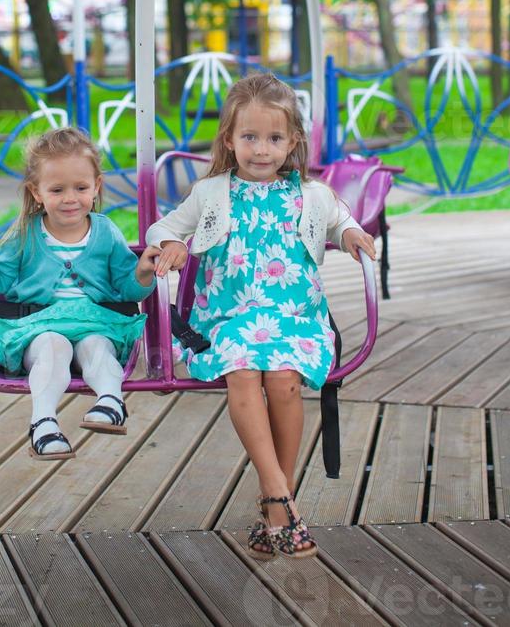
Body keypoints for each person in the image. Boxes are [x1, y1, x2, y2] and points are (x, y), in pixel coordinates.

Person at [146, 74, 376, 558]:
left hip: (296, 316)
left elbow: (341, 220)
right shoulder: (212, 192)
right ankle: (281, 501)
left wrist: (352, 235)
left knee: (284, 380)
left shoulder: (311, 193)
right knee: (245, 371)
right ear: (229, 139)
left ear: (293, 141)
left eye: (274, 138)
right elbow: (166, 225)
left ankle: (276, 501)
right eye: (249, 137)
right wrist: (171, 244)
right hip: (226, 319)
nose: (261, 149)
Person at [0, 127, 158, 461]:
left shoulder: (105, 232)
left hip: (94, 322)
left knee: (97, 346)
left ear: (96, 187)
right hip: (36, 326)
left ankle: (111, 401)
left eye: (81, 187)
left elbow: (127, 288)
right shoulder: (25, 233)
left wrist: (143, 271)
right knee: (53, 347)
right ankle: (43, 422)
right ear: (37, 191)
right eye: (57, 189)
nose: (70, 198)